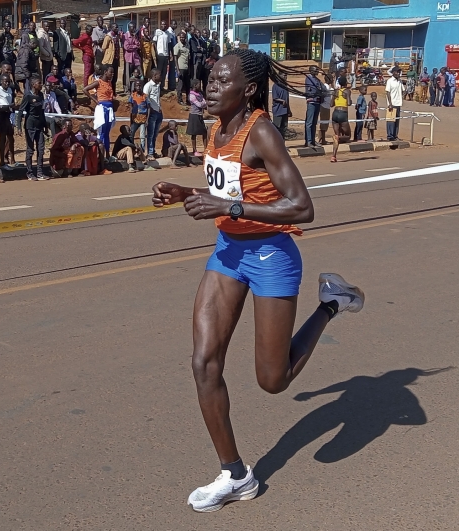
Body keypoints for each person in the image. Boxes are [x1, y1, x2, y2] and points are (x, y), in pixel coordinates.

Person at [150, 48, 365, 513]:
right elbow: (232, 192)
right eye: (209, 78)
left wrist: (228, 209)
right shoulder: (216, 128)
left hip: (271, 256)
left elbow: (302, 206)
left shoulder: (261, 131)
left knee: (273, 380)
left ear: (247, 90)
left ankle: (331, 302)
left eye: (220, 80)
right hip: (228, 252)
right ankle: (235, 474)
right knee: (204, 363)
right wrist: (186, 193)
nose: (210, 86)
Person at [84, 66, 116, 154]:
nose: (112, 74)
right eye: (111, 72)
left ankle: (107, 154)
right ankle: (99, 154)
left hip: (109, 109)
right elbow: (85, 89)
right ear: (105, 72)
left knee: (107, 133)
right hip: (102, 109)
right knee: (101, 132)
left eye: (113, 73)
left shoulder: (109, 82)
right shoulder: (98, 82)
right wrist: (95, 100)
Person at [329, 75, 350, 163]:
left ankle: (334, 156)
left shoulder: (335, 91)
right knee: (348, 136)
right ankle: (339, 137)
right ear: (345, 83)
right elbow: (349, 103)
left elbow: (331, 104)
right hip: (343, 113)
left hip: (335, 113)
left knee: (336, 135)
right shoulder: (347, 91)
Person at [143, 68, 163, 159]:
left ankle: (153, 151)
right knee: (150, 134)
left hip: (158, 112)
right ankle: (150, 153)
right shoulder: (148, 86)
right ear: (154, 76)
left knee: (155, 134)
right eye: (159, 74)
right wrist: (151, 110)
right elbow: (146, 100)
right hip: (152, 113)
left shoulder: (158, 85)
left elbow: (157, 99)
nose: (161, 76)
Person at [187, 79, 208, 157]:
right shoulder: (191, 95)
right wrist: (203, 103)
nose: (200, 85)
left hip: (199, 115)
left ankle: (206, 149)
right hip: (194, 115)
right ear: (195, 85)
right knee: (194, 134)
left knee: (204, 133)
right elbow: (200, 104)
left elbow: (204, 103)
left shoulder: (200, 94)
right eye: (199, 84)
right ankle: (194, 150)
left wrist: (203, 103)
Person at [304, 65, 322, 148]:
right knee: (309, 123)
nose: (317, 72)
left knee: (314, 123)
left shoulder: (317, 80)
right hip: (311, 102)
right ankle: (309, 141)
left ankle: (313, 140)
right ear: (311, 71)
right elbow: (312, 90)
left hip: (317, 102)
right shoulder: (309, 79)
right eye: (316, 70)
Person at [100, 23, 120, 94]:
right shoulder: (108, 37)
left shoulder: (116, 36)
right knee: (109, 76)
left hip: (116, 59)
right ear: (112, 28)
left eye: (117, 27)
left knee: (114, 77)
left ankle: (113, 91)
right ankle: (107, 91)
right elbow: (103, 48)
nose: (117, 29)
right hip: (110, 60)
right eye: (115, 27)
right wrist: (107, 55)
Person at [129, 79, 148, 152]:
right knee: (131, 134)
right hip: (135, 119)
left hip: (143, 119)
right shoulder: (132, 96)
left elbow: (148, 108)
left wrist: (147, 119)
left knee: (142, 136)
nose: (138, 87)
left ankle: (142, 151)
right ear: (134, 87)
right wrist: (130, 120)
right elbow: (131, 108)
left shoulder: (145, 96)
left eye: (140, 85)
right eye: (137, 85)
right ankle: (132, 149)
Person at [385, 66, 403, 141]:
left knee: (397, 121)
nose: (399, 73)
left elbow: (403, 90)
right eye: (397, 72)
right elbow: (387, 92)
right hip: (392, 104)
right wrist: (390, 104)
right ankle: (390, 136)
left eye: (399, 72)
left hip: (398, 103)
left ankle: (395, 135)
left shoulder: (400, 81)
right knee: (391, 121)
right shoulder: (389, 81)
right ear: (393, 73)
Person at [153, 21, 171, 93]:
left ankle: (162, 86)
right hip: (160, 55)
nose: (163, 25)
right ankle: (157, 86)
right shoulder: (157, 31)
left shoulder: (167, 33)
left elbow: (169, 44)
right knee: (159, 72)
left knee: (164, 72)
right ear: (160, 25)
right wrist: (156, 53)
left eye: (165, 24)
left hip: (166, 55)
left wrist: (170, 54)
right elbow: (154, 42)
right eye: (162, 24)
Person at [173, 32, 190, 105]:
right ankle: (179, 100)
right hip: (181, 67)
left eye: (184, 37)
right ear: (179, 38)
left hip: (186, 67)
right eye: (181, 37)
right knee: (180, 84)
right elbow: (175, 58)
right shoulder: (178, 46)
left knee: (187, 85)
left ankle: (188, 100)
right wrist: (177, 69)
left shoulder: (187, 46)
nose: (182, 38)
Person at [271, 73, 290, 140]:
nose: (285, 76)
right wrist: (282, 101)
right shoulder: (275, 85)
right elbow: (275, 97)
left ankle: (283, 144)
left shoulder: (285, 86)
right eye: (284, 75)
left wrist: (289, 110)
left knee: (284, 128)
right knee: (277, 128)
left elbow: (287, 99)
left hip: (285, 110)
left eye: (286, 75)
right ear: (279, 76)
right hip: (278, 110)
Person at [122, 24, 141, 90]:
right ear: (129, 28)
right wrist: (134, 46)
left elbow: (138, 44)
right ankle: (127, 89)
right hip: (128, 58)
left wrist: (135, 38)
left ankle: (135, 88)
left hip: (135, 57)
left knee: (137, 72)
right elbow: (126, 47)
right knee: (128, 74)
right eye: (132, 27)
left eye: (134, 27)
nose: (134, 29)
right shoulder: (125, 36)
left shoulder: (134, 36)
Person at [318, 72, 333, 145]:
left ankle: (322, 139)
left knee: (324, 123)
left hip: (326, 106)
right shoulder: (326, 87)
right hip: (324, 107)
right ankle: (322, 140)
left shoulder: (328, 87)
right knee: (324, 123)